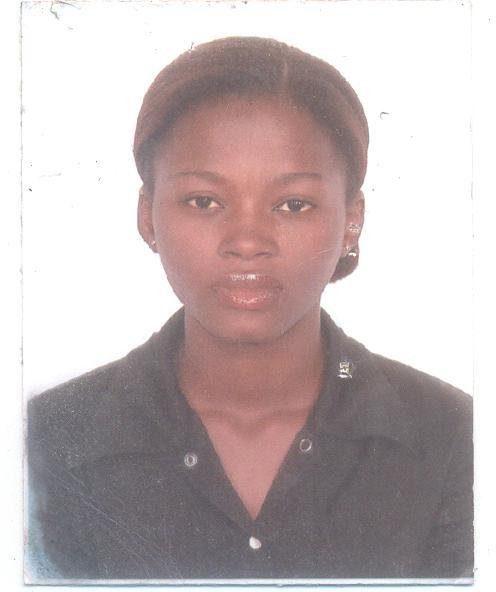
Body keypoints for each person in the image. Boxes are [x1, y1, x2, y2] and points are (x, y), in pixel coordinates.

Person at [27, 36, 473, 581]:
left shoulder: (458, 438)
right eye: (205, 201)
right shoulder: (43, 442)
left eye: (292, 204)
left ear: (351, 221)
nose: (247, 241)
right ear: (148, 216)